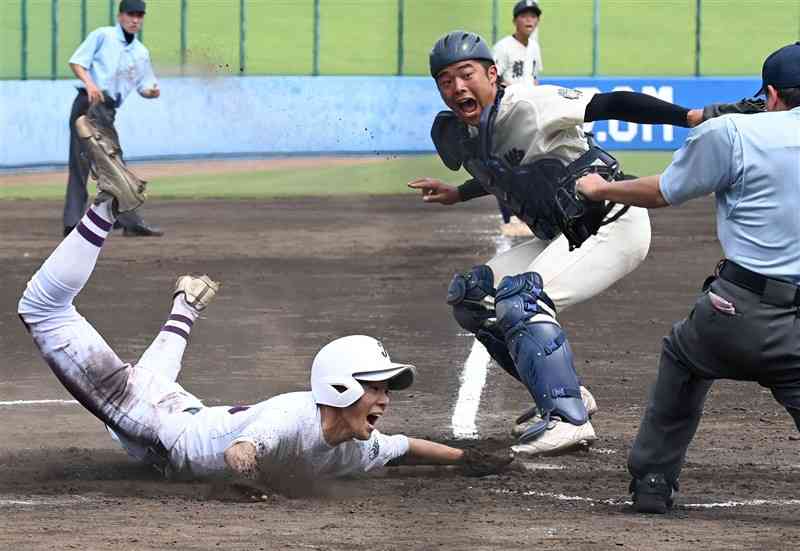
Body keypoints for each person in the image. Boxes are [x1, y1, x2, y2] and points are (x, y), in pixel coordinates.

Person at [18, 174, 512, 485]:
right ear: (339, 386)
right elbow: (240, 455)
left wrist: (464, 459)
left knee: (150, 385)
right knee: (42, 308)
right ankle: (106, 205)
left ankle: (185, 306)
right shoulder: (291, 417)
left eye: (385, 389)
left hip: (178, 414)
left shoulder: (355, 446)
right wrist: (257, 489)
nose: (384, 399)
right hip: (159, 427)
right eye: (375, 388)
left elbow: (404, 449)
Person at [409, 31, 713, 457]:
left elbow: (611, 104)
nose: (457, 87)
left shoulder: (531, 104)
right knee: (473, 296)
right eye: (445, 80)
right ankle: (565, 396)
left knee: (521, 299)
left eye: (466, 74)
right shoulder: (470, 131)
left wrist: (692, 117)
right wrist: (458, 192)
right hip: (570, 232)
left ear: (492, 74)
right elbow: (503, 168)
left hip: (613, 222)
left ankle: (568, 422)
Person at [576, 41, 800, 514]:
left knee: (684, 355)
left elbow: (663, 191)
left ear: (773, 94)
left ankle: (654, 477)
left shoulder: (734, 133)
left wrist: (599, 188)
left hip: (739, 312)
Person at [64, 0, 163, 238]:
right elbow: (76, 62)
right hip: (88, 106)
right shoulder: (103, 36)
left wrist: (151, 92)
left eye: (140, 15)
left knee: (115, 166)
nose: (135, 19)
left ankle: (126, 220)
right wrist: (90, 84)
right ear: (120, 16)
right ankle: (72, 224)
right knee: (82, 166)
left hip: (107, 112)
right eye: (131, 14)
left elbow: (145, 86)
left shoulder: (140, 53)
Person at [492, 0, 545, 237]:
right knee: (506, 165)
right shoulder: (503, 47)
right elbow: (492, 79)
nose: (529, 20)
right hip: (507, 112)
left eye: (533, 16)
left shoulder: (534, 47)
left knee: (530, 164)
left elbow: (534, 78)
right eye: (524, 16)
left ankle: (526, 215)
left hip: (528, 114)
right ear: (515, 20)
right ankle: (509, 218)